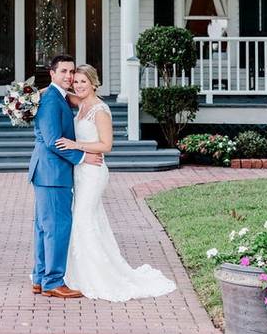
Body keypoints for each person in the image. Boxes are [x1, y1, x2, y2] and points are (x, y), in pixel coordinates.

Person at [54, 64, 177, 302]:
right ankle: (76, 274)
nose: (78, 85)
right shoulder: (80, 105)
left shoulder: (100, 109)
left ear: (93, 83)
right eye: (76, 81)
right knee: (88, 219)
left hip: (94, 172)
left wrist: (75, 145)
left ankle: (97, 277)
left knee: (83, 219)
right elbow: (58, 93)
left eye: (83, 82)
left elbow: (106, 146)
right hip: (80, 171)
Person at [27, 54, 104, 299]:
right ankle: (53, 282)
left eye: (71, 72)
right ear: (52, 73)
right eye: (64, 72)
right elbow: (52, 141)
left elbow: (79, 98)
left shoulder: (55, 96)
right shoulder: (51, 99)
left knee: (44, 227)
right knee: (57, 227)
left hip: (47, 172)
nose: (69, 77)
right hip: (52, 173)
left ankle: (40, 278)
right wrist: (83, 158)